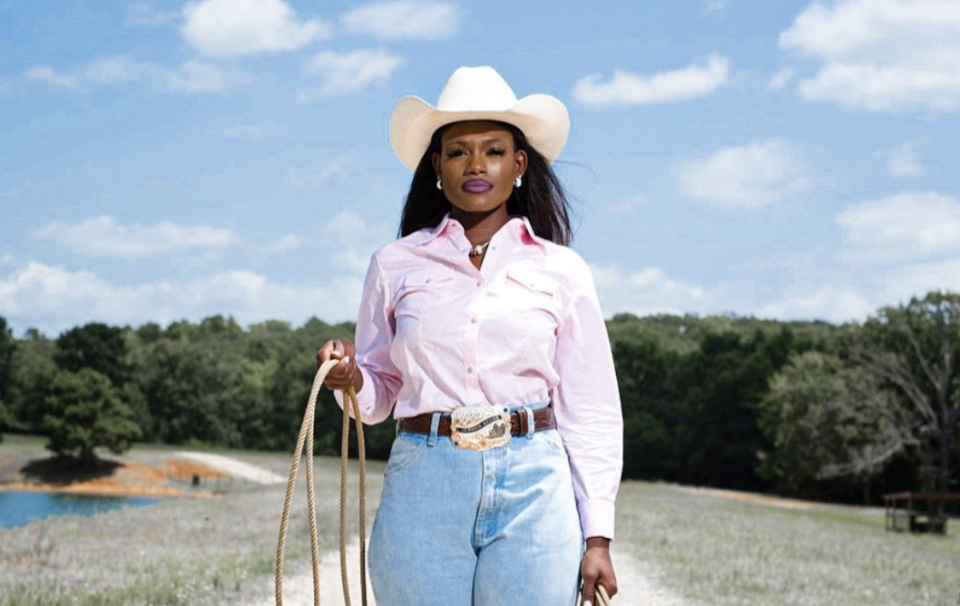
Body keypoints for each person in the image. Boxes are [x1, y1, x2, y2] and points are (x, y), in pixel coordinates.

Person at [317, 66, 622, 606]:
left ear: (519, 164)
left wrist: (596, 535)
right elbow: (379, 394)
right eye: (458, 151)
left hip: (536, 484)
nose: (476, 165)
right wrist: (351, 375)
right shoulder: (394, 264)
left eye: (494, 150)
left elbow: (591, 408)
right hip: (423, 480)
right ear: (437, 166)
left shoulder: (563, 270)